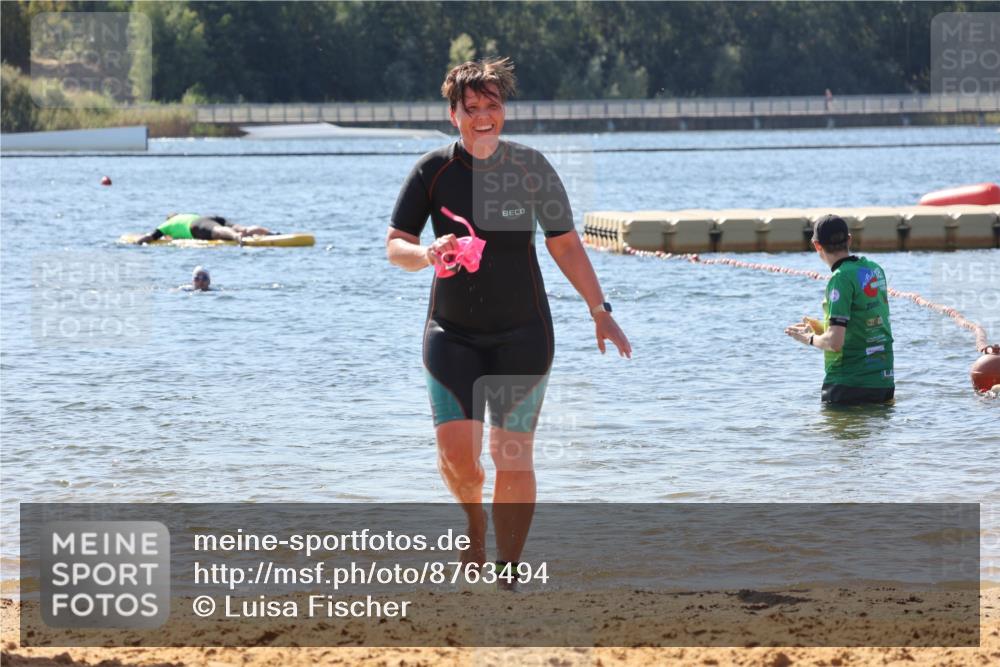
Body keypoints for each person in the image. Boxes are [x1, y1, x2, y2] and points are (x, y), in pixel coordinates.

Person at [386, 57, 631, 586]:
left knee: (511, 454)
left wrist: (599, 309)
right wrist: (427, 254)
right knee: (458, 459)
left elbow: (565, 244)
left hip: (524, 332)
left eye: (491, 107)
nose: (481, 117)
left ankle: (508, 570)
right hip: (450, 334)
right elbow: (395, 247)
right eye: (470, 108)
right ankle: (473, 519)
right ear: (453, 114)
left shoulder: (531, 167)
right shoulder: (433, 172)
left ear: (503, 112)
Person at [785, 214, 894, 405]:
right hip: (883, 381)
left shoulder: (840, 278)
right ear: (849, 239)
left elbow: (835, 342)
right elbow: (865, 321)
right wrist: (819, 328)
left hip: (849, 384)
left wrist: (808, 338)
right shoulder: (874, 269)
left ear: (817, 245)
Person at [134, 214, 270, 244]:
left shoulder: (166, 225)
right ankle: (270, 233)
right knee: (242, 228)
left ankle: (236, 237)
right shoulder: (185, 214)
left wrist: (136, 243)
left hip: (196, 226)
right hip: (209, 217)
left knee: (217, 231)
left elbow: (150, 237)